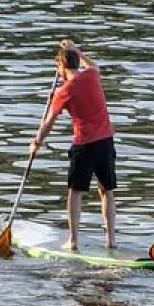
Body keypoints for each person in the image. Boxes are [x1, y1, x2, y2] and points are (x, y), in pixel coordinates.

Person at [29, 39, 117, 252]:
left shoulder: (63, 92)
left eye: (58, 67)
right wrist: (76, 49)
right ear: (77, 61)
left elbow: (48, 122)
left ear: (61, 66)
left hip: (84, 144)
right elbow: (92, 65)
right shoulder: (92, 75)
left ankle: (73, 240)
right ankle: (111, 239)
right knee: (107, 190)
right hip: (106, 141)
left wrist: (36, 142)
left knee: (75, 192)